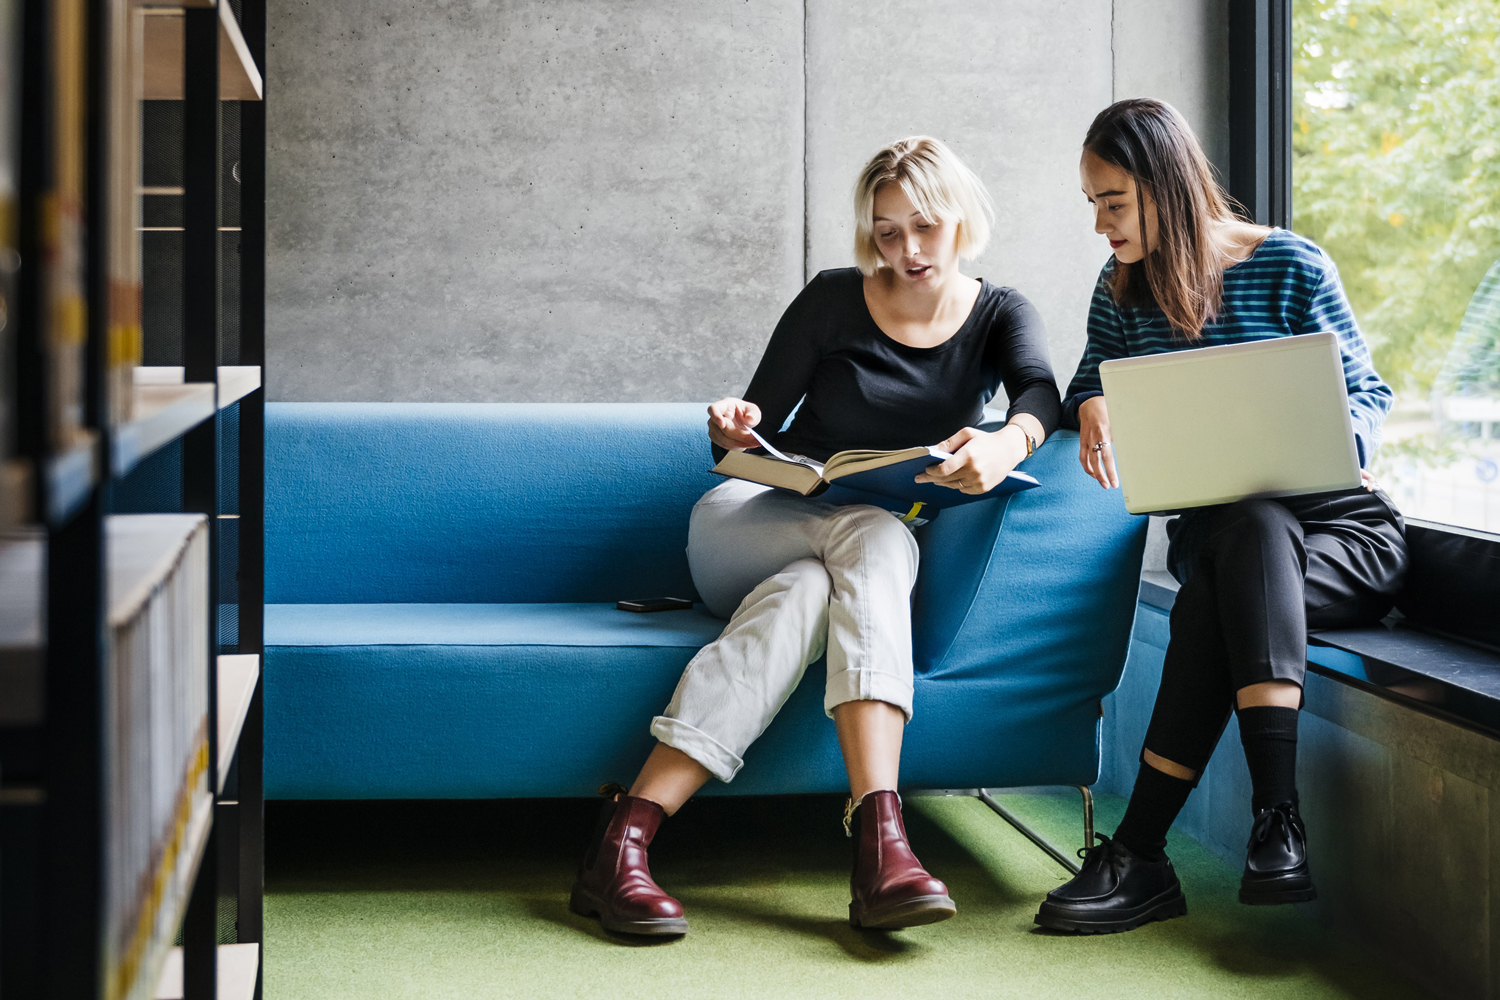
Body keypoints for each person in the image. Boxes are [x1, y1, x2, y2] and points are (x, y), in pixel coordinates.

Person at [569, 136, 1062, 937]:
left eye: (925, 227)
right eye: (888, 232)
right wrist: (732, 424)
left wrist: (1008, 442)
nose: (907, 250)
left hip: (834, 561)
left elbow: (1040, 390)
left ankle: (623, 841)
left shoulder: (1001, 313)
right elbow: (751, 428)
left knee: (807, 596)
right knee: (879, 537)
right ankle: (883, 845)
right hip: (748, 526)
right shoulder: (833, 297)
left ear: (962, 218)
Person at [1034, 98, 1408, 935]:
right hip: (1227, 547)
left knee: (1244, 546)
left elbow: (1367, 390)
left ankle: (1141, 856)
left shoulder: (1292, 264)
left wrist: (1343, 439)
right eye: (1092, 203)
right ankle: (1277, 828)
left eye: (1113, 202)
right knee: (1246, 531)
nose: (1099, 224)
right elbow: (1088, 383)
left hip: (1341, 537)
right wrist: (1090, 402)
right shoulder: (1121, 288)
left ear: (1164, 186)